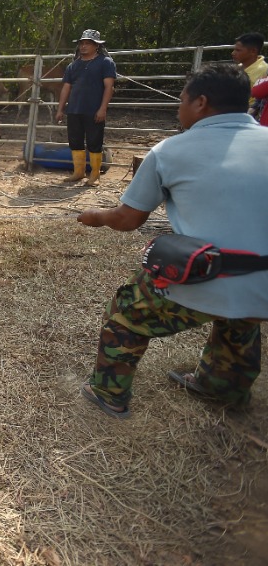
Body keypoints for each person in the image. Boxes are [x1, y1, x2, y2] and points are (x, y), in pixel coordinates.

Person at [77, 63, 268, 418]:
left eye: (181, 100)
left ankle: (108, 393)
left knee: (126, 312)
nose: (178, 107)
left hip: (211, 274)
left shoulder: (171, 151)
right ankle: (222, 387)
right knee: (242, 314)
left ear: (200, 103)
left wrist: (95, 216)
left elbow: (128, 219)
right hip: (263, 289)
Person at [55, 29, 116, 186]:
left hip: (94, 109)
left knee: (94, 142)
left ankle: (95, 175)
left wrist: (103, 108)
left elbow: (109, 87)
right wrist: (60, 109)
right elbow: (66, 88)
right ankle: (79, 172)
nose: (83, 46)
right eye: (81, 43)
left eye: (88, 43)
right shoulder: (73, 66)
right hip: (74, 109)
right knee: (75, 141)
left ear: (96, 46)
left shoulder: (105, 62)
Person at [233, 32, 267, 116]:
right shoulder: (238, 67)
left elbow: (258, 101)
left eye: (238, 50)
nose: (233, 53)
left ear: (253, 51)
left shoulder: (264, 70)